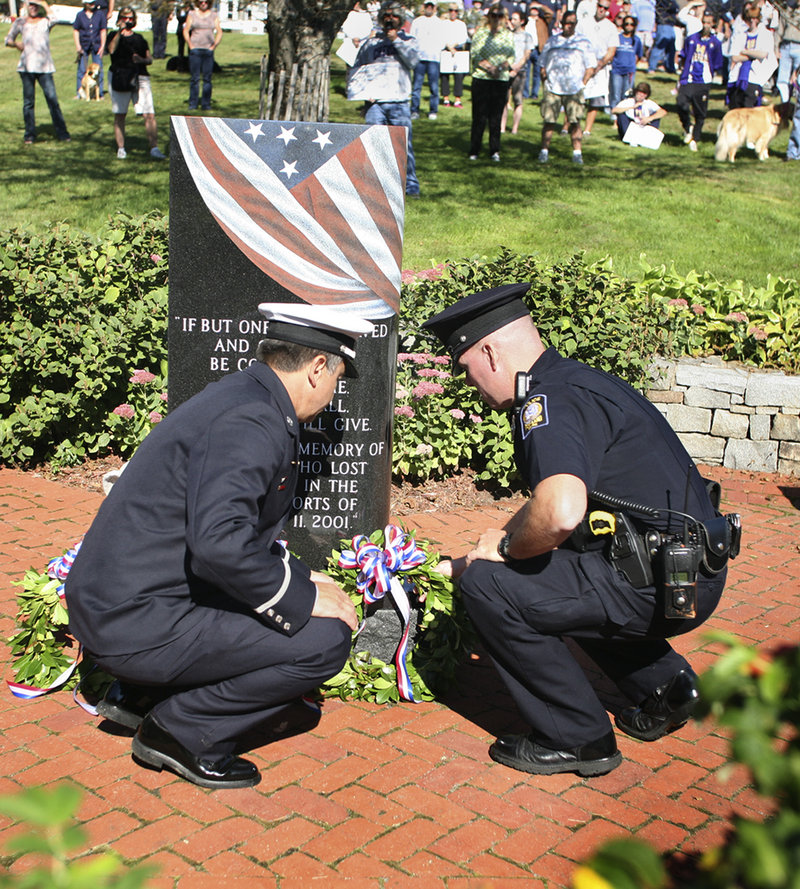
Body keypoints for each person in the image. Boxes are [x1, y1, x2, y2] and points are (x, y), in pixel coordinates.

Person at [423, 284, 730, 777]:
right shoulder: (574, 381)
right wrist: (470, 556)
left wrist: (500, 551)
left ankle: (577, 739)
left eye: (467, 370)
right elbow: (554, 507)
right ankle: (667, 690)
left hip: (656, 583)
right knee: (553, 579)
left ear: (490, 352)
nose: (470, 385)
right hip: (684, 572)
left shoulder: (545, 403)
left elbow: (561, 512)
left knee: (493, 588)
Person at [66, 304, 371, 789]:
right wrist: (305, 599)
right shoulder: (253, 421)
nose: (335, 393)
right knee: (322, 643)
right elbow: (219, 546)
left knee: (296, 615)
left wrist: (301, 576)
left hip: (129, 598)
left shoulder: (243, 398)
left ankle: (140, 696)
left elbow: (228, 533)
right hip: (133, 619)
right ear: (317, 369)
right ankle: (181, 730)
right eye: (338, 377)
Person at [348, 0, 422, 197]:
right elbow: (359, 68)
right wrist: (363, 95)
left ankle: (410, 184)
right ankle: (375, 184)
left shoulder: (409, 40)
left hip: (399, 102)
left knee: (403, 144)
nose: (390, 19)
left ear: (401, 19)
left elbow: (413, 61)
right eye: (387, 16)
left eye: (395, 16)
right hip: (375, 103)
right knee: (374, 143)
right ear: (381, 18)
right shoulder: (372, 41)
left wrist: (396, 40)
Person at [5, 0, 71, 145]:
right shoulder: (21, 23)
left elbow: (56, 19)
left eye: (36, 5)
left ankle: (62, 133)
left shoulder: (45, 22)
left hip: (44, 68)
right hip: (26, 68)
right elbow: (8, 39)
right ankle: (29, 135)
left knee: (52, 100)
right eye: (31, 4)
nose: (33, 8)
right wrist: (16, 44)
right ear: (26, 7)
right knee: (28, 103)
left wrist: (44, 3)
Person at [538, 9, 597, 164]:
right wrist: (546, 81)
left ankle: (577, 153)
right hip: (553, 87)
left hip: (574, 88)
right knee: (549, 121)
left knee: (575, 121)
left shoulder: (583, 42)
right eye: (567, 23)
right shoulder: (552, 41)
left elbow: (591, 67)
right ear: (561, 23)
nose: (569, 26)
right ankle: (544, 151)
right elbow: (542, 64)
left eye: (572, 23)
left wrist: (582, 84)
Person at [108, 7, 167, 159]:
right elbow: (111, 50)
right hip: (120, 76)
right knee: (120, 114)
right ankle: (121, 148)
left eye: (130, 18)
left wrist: (141, 60)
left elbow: (149, 59)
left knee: (149, 114)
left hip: (140, 76)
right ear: (119, 19)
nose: (127, 21)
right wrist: (119, 33)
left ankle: (154, 148)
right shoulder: (114, 36)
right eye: (124, 18)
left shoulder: (140, 39)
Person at [468, 4, 515, 161]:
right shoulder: (480, 33)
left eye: (499, 16)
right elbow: (475, 54)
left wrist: (499, 68)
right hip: (482, 78)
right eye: (493, 15)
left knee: (496, 116)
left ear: (503, 17)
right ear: (488, 16)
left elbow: (511, 56)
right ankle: (474, 149)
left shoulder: (507, 34)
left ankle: (494, 150)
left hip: (500, 79)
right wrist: (489, 68)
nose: (496, 19)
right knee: (479, 116)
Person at [676, 11, 723, 150]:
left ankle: (695, 138)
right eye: (704, 22)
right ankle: (687, 126)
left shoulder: (715, 43)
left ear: (713, 24)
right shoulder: (691, 39)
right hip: (688, 78)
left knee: (700, 111)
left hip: (704, 81)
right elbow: (683, 56)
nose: (706, 25)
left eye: (709, 23)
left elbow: (717, 62)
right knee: (681, 103)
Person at [577, 0, 618, 136]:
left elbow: (611, 50)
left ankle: (587, 130)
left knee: (594, 101)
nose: (601, 9)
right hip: (582, 64)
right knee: (577, 97)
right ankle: (570, 126)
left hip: (600, 67)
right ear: (596, 6)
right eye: (600, 6)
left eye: (605, 8)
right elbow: (577, 42)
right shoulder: (584, 22)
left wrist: (599, 65)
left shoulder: (611, 27)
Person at [727, 4, 777, 107]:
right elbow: (735, 57)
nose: (752, 22)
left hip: (755, 77)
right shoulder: (740, 35)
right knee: (736, 109)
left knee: (749, 109)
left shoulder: (765, 35)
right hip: (738, 76)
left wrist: (745, 52)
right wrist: (754, 54)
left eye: (755, 18)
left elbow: (763, 54)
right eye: (749, 19)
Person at [411, 0, 448, 119]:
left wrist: (436, 49)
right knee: (416, 86)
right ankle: (414, 110)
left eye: (431, 6)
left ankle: (433, 110)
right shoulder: (417, 21)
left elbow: (443, 41)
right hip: (419, 58)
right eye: (427, 6)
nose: (429, 8)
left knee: (434, 87)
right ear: (424, 7)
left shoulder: (439, 23)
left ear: (435, 8)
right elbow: (412, 38)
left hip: (434, 59)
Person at [184, 0, 222, 111]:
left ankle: (206, 104)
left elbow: (219, 31)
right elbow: (186, 30)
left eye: (205, 1)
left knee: (207, 79)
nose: (203, 3)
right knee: (195, 79)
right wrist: (190, 45)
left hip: (208, 51)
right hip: (195, 50)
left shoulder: (214, 15)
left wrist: (214, 46)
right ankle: (193, 104)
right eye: (201, 2)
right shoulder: (192, 14)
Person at [501, 9, 534, 134]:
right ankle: (502, 127)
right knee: (503, 99)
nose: (512, 21)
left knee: (517, 100)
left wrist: (517, 67)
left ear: (522, 21)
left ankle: (514, 128)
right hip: (506, 70)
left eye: (515, 19)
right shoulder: (507, 35)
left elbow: (527, 55)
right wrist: (509, 66)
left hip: (520, 71)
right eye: (511, 19)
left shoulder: (527, 36)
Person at [73, 0, 107, 100]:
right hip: (84, 44)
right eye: (90, 3)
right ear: (85, 4)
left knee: (98, 69)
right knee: (82, 70)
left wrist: (102, 45)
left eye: (93, 2)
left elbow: (103, 30)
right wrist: (77, 45)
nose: (92, 4)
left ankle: (99, 93)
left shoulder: (100, 14)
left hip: (97, 45)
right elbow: (76, 30)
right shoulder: (80, 15)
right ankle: (80, 92)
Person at [609, 14, 643, 113]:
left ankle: (625, 115)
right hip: (617, 70)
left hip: (629, 71)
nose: (629, 26)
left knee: (627, 94)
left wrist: (632, 64)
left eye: (631, 24)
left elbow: (638, 55)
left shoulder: (636, 40)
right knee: (615, 94)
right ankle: (614, 116)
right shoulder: (617, 37)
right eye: (627, 24)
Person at [440, 4, 469, 107]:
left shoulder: (461, 24)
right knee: (444, 75)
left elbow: (463, 38)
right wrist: (449, 47)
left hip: (458, 50)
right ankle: (446, 98)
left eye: (455, 11)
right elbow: (441, 36)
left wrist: (454, 46)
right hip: (446, 50)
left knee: (459, 75)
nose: (453, 12)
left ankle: (457, 99)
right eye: (451, 10)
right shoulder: (444, 23)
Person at [775, 0, 800, 103]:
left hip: (799, 46)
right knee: (782, 80)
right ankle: (784, 105)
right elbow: (779, 29)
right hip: (785, 46)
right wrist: (776, 47)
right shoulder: (788, 10)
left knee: (798, 80)